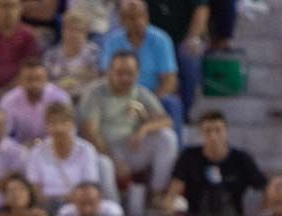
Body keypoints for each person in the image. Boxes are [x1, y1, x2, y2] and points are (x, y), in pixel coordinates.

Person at [78, 50, 178, 200]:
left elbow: (167, 121)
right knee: (103, 163)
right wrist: (114, 161)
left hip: (132, 147)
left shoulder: (140, 92)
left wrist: (144, 129)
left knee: (167, 137)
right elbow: (90, 133)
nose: (125, 78)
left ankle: (157, 193)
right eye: (120, 73)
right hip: (104, 151)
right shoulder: (95, 93)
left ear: (137, 73)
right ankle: (114, 207)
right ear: (109, 72)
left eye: (130, 73)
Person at [165, 109, 267, 216]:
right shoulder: (189, 158)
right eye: (208, 131)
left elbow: (267, 190)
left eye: (218, 130)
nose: (213, 136)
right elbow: (173, 195)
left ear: (226, 131)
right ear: (201, 133)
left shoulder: (241, 159)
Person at [99, 0, 183, 131]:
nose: (138, 22)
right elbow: (106, 76)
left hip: (155, 96)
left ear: (147, 16)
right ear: (122, 20)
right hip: (120, 95)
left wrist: (150, 102)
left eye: (142, 16)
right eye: (132, 18)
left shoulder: (161, 40)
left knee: (172, 104)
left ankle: (177, 150)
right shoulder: (112, 41)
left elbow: (170, 80)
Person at [25, 102, 100, 209]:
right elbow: (34, 187)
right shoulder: (37, 152)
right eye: (53, 123)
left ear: (73, 124)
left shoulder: (86, 150)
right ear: (47, 126)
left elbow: (89, 187)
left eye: (64, 122)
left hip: (78, 206)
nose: (59, 128)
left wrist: (67, 200)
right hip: (46, 206)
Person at [0, 59, 70, 145]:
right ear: (20, 80)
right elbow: (4, 136)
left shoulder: (60, 98)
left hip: (53, 148)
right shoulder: (8, 101)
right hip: (20, 150)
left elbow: (67, 130)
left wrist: (43, 146)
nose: (34, 84)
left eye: (38, 79)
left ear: (46, 79)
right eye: (29, 79)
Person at [45, 8, 100, 100]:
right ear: (62, 30)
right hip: (58, 101)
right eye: (69, 29)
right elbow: (46, 85)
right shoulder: (51, 55)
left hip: (85, 100)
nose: (74, 34)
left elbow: (96, 82)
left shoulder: (94, 53)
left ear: (86, 32)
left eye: (78, 30)